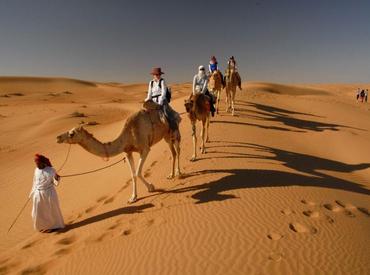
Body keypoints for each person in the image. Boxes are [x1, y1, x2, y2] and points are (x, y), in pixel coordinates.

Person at [29, 154, 65, 232]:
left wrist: (56, 178)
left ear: (42, 163)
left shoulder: (51, 170)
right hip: (38, 193)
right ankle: (43, 226)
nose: (37, 165)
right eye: (36, 164)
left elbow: (55, 182)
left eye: (38, 163)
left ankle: (54, 226)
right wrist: (32, 192)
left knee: (51, 210)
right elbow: (35, 181)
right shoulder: (36, 170)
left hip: (49, 193)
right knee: (37, 211)